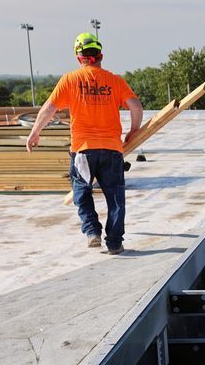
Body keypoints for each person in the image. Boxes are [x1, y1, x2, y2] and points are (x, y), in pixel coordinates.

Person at [27, 33, 143, 255]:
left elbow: (49, 108)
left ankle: (92, 231)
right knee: (115, 198)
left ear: (78, 57)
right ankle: (115, 243)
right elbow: (136, 107)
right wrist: (133, 130)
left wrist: (35, 133)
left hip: (83, 150)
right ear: (100, 56)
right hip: (112, 149)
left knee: (81, 191)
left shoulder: (70, 80)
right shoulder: (116, 81)